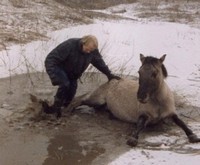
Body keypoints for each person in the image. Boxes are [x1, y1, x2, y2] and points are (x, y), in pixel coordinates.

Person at [43, 35, 121, 118]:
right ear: (83, 43)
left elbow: (99, 63)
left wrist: (109, 74)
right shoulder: (70, 45)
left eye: (91, 51)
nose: (88, 52)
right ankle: (55, 109)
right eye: (87, 49)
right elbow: (50, 59)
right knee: (65, 84)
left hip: (72, 73)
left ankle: (64, 108)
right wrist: (54, 75)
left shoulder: (92, 51)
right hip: (57, 67)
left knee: (71, 92)